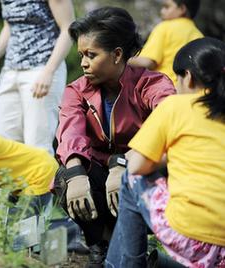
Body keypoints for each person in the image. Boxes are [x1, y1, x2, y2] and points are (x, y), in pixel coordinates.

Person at [53, 7, 176, 266]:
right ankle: (100, 244)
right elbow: (70, 131)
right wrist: (75, 175)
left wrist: (124, 163)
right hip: (99, 177)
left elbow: (168, 120)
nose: (83, 63)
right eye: (81, 55)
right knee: (65, 178)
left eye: (91, 55)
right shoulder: (76, 91)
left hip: (143, 172)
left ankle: (139, 248)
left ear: (117, 54)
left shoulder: (152, 84)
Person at [106, 37, 225, 268]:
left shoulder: (176, 106)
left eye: (176, 78)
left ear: (188, 77)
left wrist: (171, 155)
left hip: (190, 235)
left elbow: (136, 166)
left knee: (131, 180)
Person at [0, 0, 75, 155]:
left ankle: (43, 180)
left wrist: (49, 71)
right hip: (10, 69)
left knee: (37, 145)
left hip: (42, 68)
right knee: (1, 142)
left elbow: (68, 28)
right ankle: (7, 180)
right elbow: (10, 25)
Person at [129, 0, 203, 83]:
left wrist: (124, 60)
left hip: (162, 88)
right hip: (186, 90)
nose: (162, 11)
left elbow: (148, 62)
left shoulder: (165, 27)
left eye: (167, 7)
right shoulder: (199, 35)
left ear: (182, 9)